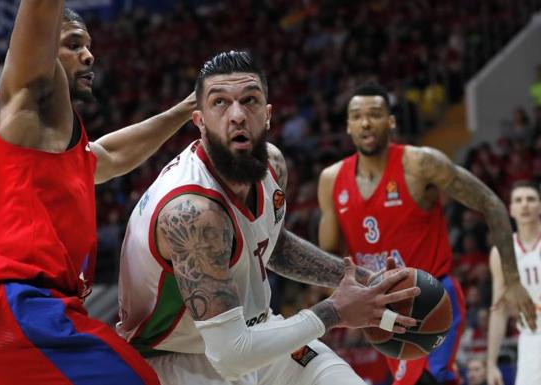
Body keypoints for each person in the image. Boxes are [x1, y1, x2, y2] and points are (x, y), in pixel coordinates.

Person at [116, 50, 421, 385]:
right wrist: (335, 311)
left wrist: (366, 281)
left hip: (255, 335)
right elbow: (231, 356)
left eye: (250, 100)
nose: (237, 115)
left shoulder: (271, 166)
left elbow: (271, 243)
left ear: (268, 114)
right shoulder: (193, 213)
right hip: (177, 360)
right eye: (220, 103)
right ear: (199, 121)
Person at [0, 2, 195, 384]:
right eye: (74, 44)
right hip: (9, 309)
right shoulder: (26, 103)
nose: (89, 55)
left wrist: (188, 107)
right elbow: (39, 15)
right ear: (42, 52)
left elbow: (114, 154)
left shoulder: (64, 153)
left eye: (88, 45)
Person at [317, 82, 537, 385]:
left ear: (391, 121)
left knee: (427, 380)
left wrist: (512, 281)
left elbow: (490, 202)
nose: (366, 122)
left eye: (375, 114)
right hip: (382, 310)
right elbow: (328, 257)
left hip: (433, 296)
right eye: (357, 116)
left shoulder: (420, 164)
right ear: (348, 125)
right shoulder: (331, 180)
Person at [487, 181, 541, 385]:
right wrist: (491, 363)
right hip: (530, 336)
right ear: (511, 209)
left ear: (540, 206)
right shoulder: (501, 252)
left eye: (531, 199)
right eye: (519, 200)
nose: (525, 205)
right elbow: (498, 310)